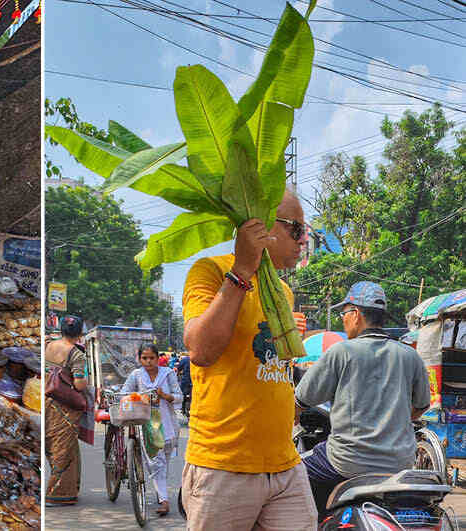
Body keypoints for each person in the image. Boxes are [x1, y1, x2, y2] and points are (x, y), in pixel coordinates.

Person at [181, 189, 317, 530]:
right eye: (296, 230)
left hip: (284, 464)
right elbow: (200, 350)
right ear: (261, 226)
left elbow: (276, 371)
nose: (303, 240)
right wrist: (242, 271)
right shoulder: (210, 271)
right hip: (223, 465)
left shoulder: (282, 291)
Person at [295, 281, 430, 519]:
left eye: (344, 313)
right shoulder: (410, 356)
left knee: (293, 474)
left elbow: (302, 399)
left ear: (355, 314)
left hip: (346, 462)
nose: (343, 319)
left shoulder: (341, 352)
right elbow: (420, 406)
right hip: (400, 463)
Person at [120, 343, 181, 516]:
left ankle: (160, 492)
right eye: (144, 358)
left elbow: (179, 397)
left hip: (167, 423)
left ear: (157, 358)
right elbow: (125, 393)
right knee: (156, 463)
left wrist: (165, 396)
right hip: (146, 423)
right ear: (139, 359)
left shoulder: (168, 374)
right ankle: (164, 500)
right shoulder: (136, 375)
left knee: (163, 462)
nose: (148, 361)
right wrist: (140, 397)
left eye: (151, 358)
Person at [44, 315, 87, 507]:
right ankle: (57, 493)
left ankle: (69, 488)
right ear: (79, 333)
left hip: (47, 401)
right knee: (64, 448)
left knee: (54, 444)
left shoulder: (49, 346)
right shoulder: (77, 354)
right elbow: (79, 384)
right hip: (64, 407)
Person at [176, 353, 192, 417]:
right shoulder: (199, 359)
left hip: (186, 381)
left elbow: (179, 368)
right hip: (195, 382)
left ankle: (182, 408)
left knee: (182, 394)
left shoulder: (185, 359)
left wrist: (178, 372)